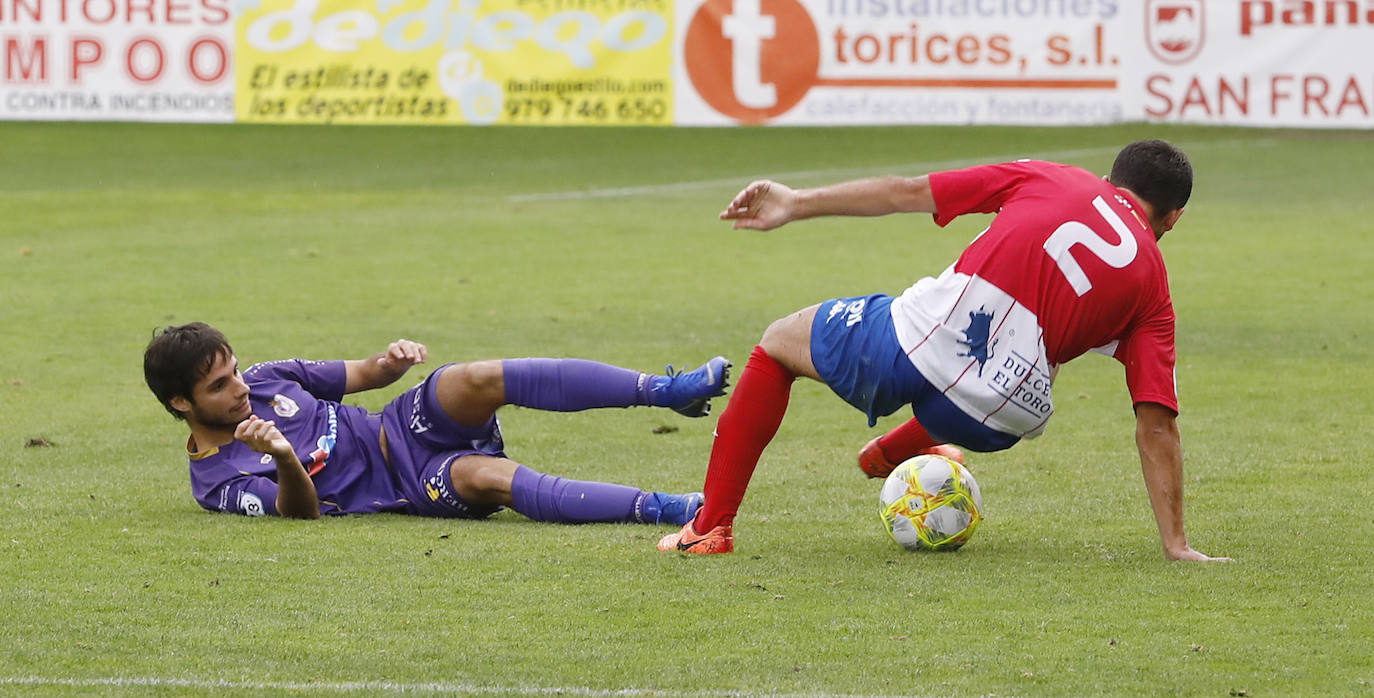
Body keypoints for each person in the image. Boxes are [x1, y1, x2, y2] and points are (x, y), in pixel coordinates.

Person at [657, 139, 1229, 562]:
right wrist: (1176, 543)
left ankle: (711, 526)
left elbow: (907, 192)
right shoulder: (1154, 288)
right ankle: (889, 452)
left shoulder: (1055, 177)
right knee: (977, 381)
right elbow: (1157, 423)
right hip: (1004, 417)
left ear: (1110, 178)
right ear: (1173, 218)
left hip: (922, 343)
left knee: (780, 341)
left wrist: (796, 203)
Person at [143, 322, 731, 523]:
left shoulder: (271, 378)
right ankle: (670, 508)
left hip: (400, 424)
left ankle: (668, 391)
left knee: (471, 377)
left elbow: (365, 373)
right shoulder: (217, 482)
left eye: (236, 371)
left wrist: (390, 360)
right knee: (487, 478)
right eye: (220, 386)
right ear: (181, 404)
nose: (242, 388)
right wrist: (283, 459)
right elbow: (299, 513)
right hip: (409, 483)